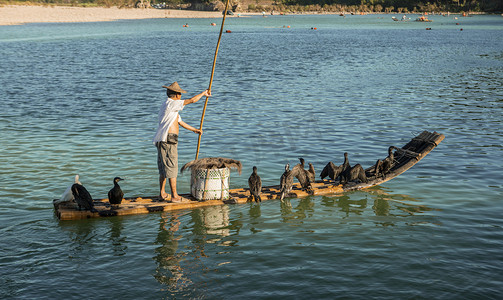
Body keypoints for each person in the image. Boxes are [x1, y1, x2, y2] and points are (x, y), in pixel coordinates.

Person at [153, 82, 211, 202]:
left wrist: (195, 130)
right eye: (179, 93)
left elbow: (180, 122)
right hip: (168, 139)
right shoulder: (171, 103)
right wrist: (203, 93)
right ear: (176, 95)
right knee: (171, 166)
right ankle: (174, 196)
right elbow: (192, 100)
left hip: (164, 139)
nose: (181, 95)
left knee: (164, 167)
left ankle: (162, 193)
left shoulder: (170, 108)